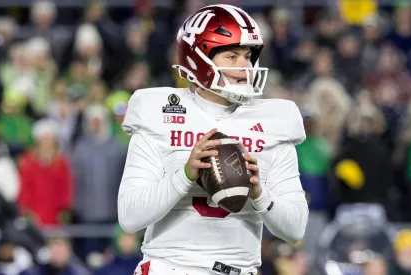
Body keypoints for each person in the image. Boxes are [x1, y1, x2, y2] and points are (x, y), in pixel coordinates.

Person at [118, 4, 309, 275]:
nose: (246, 66)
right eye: (232, 57)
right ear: (198, 59)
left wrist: (259, 193)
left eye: (247, 56)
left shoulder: (275, 121)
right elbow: (129, 217)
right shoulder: (158, 112)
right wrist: (185, 174)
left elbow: (295, 229)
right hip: (171, 267)